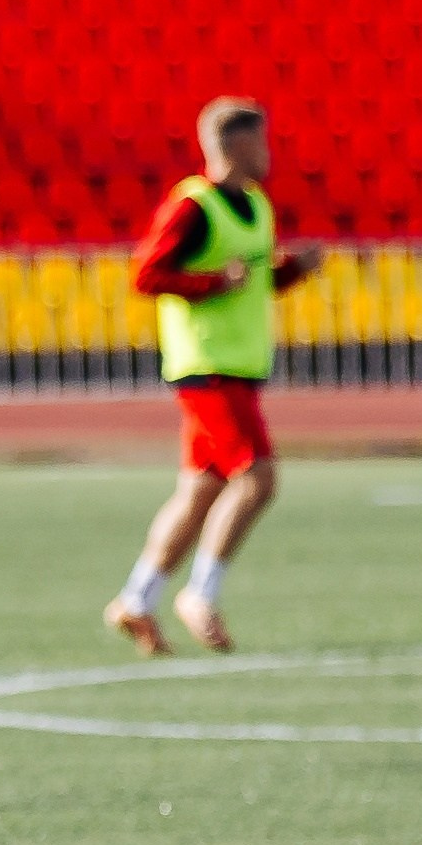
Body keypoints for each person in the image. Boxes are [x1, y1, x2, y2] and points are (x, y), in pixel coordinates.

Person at [105, 99, 323, 656]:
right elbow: (147, 273)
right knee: (258, 477)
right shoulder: (193, 205)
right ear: (235, 144)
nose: (270, 151)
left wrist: (291, 271)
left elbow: (250, 282)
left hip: (239, 368)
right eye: (262, 140)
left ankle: (137, 599)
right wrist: (208, 283)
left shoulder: (255, 205)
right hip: (206, 368)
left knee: (201, 489)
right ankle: (200, 593)